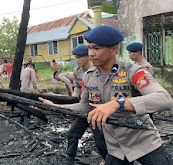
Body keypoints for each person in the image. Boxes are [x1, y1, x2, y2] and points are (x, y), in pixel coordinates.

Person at [38, 25, 173, 165]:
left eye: (96, 48)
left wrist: (117, 103)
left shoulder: (132, 72)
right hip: (116, 149)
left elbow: (164, 99)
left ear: (114, 49)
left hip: (143, 141)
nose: (91, 53)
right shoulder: (88, 77)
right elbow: (85, 106)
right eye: (89, 48)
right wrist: (55, 108)